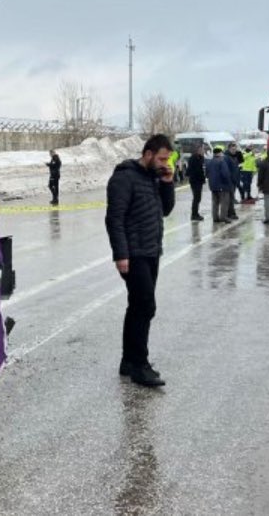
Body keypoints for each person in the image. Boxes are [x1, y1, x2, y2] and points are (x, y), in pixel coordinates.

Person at [104, 134, 176, 388]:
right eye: (162, 158)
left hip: (151, 251)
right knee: (145, 306)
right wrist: (121, 254)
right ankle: (140, 366)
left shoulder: (153, 178)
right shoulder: (124, 177)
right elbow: (114, 218)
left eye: (167, 159)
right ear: (147, 154)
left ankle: (128, 360)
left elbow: (165, 211)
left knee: (137, 306)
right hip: (133, 254)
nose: (165, 162)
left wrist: (167, 183)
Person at [206, 147, 233, 223]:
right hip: (222, 185)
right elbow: (225, 174)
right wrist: (228, 183)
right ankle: (223, 217)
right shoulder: (222, 161)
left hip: (213, 186)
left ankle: (215, 217)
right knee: (224, 202)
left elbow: (207, 174)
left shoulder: (209, 162)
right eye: (222, 153)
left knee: (215, 202)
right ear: (219, 153)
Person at [186, 144, 207, 221]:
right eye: (202, 150)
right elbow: (193, 170)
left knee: (198, 198)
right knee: (196, 198)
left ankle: (196, 213)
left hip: (199, 181)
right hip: (195, 181)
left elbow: (202, 169)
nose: (203, 151)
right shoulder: (193, 158)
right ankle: (194, 214)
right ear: (198, 150)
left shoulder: (201, 158)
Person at [225, 144, 241, 220]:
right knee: (229, 198)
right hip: (229, 181)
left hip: (234, 180)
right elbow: (227, 171)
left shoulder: (234, 157)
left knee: (232, 197)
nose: (234, 151)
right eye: (232, 149)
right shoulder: (227, 158)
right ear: (229, 149)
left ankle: (231, 213)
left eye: (235, 149)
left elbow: (236, 169)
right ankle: (230, 213)